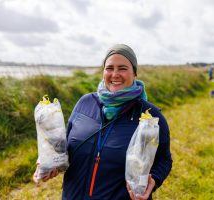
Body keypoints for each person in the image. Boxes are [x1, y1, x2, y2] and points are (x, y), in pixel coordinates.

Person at [33, 44, 172, 200]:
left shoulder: (150, 117)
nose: (115, 74)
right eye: (109, 68)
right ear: (103, 72)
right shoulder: (85, 103)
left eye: (122, 68)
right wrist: (50, 160)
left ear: (135, 73)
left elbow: (164, 159)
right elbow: (66, 145)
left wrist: (154, 179)